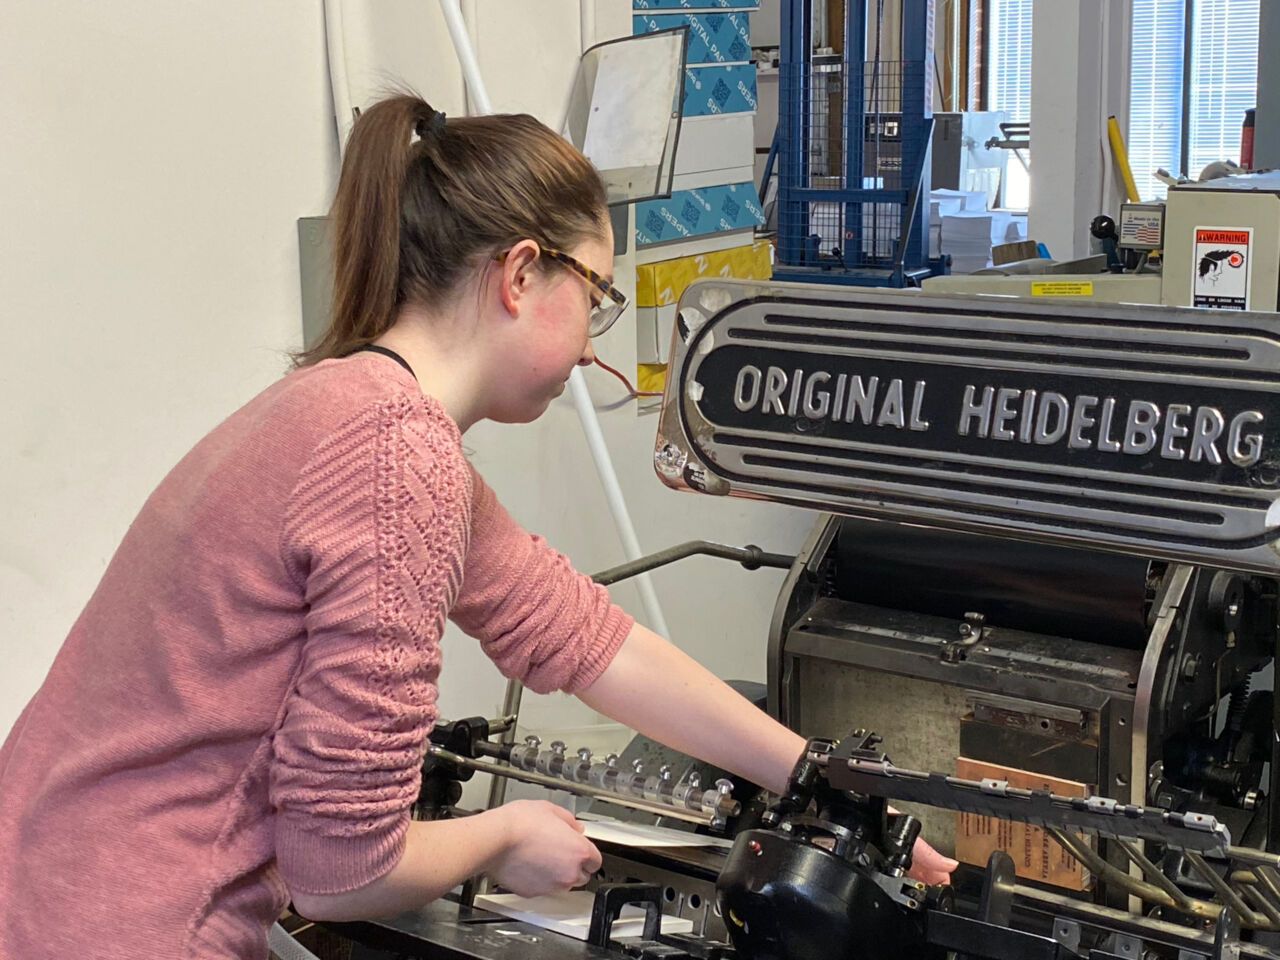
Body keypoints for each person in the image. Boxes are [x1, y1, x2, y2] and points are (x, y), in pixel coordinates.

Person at [0, 94, 956, 960]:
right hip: (123, 922)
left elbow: (582, 635)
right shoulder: (395, 456)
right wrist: (503, 837)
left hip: (41, 879)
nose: (593, 350)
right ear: (522, 273)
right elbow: (342, 875)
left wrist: (818, 779)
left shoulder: (341, 408)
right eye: (598, 295)